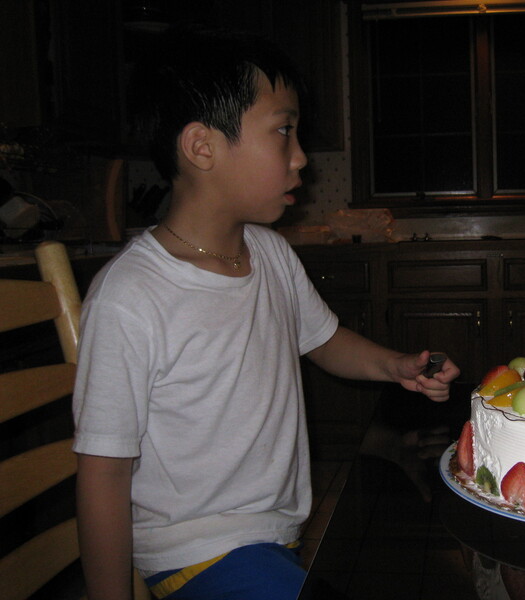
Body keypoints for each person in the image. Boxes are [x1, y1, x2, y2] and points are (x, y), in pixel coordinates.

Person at [72, 28, 459, 600]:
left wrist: (395, 365)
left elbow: (324, 339)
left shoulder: (270, 252)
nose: (300, 156)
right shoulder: (131, 295)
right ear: (202, 147)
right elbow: (103, 472)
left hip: (273, 537)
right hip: (198, 551)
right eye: (283, 131)